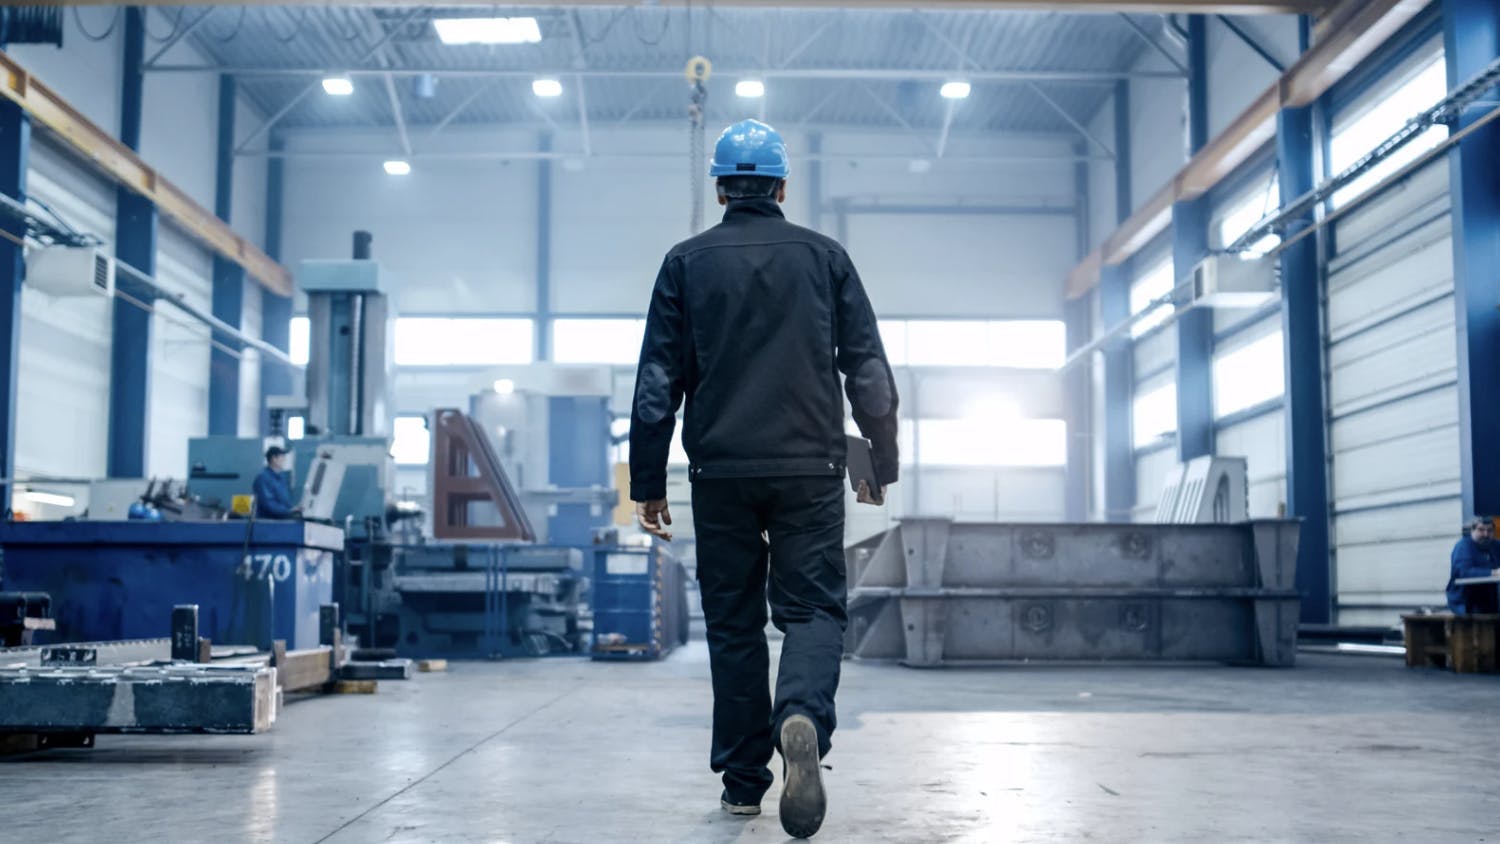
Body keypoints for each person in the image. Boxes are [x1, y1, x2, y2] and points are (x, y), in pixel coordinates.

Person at [629, 118, 899, 840]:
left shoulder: (684, 262)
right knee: (812, 610)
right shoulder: (825, 257)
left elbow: (659, 379)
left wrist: (647, 480)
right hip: (812, 467)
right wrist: (882, 458)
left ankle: (745, 784)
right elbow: (867, 369)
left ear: (719, 188)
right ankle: (802, 714)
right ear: (782, 187)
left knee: (734, 623)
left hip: (719, 470)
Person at [1447, 516, 1500, 615]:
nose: (1486, 534)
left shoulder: (1495, 545)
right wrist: (1494, 572)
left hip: (1490, 597)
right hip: (1466, 599)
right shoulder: (1463, 546)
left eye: (1489, 530)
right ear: (1472, 530)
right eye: (1481, 530)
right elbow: (1464, 572)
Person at [253, 446, 301, 520]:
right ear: (274, 459)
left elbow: (285, 500)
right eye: (282, 457)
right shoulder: (263, 478)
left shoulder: (281, 477)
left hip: (281, 519)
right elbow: (268, 503)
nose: (284, 460)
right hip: (268, 522)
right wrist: (287, 511)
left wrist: (293, 509)